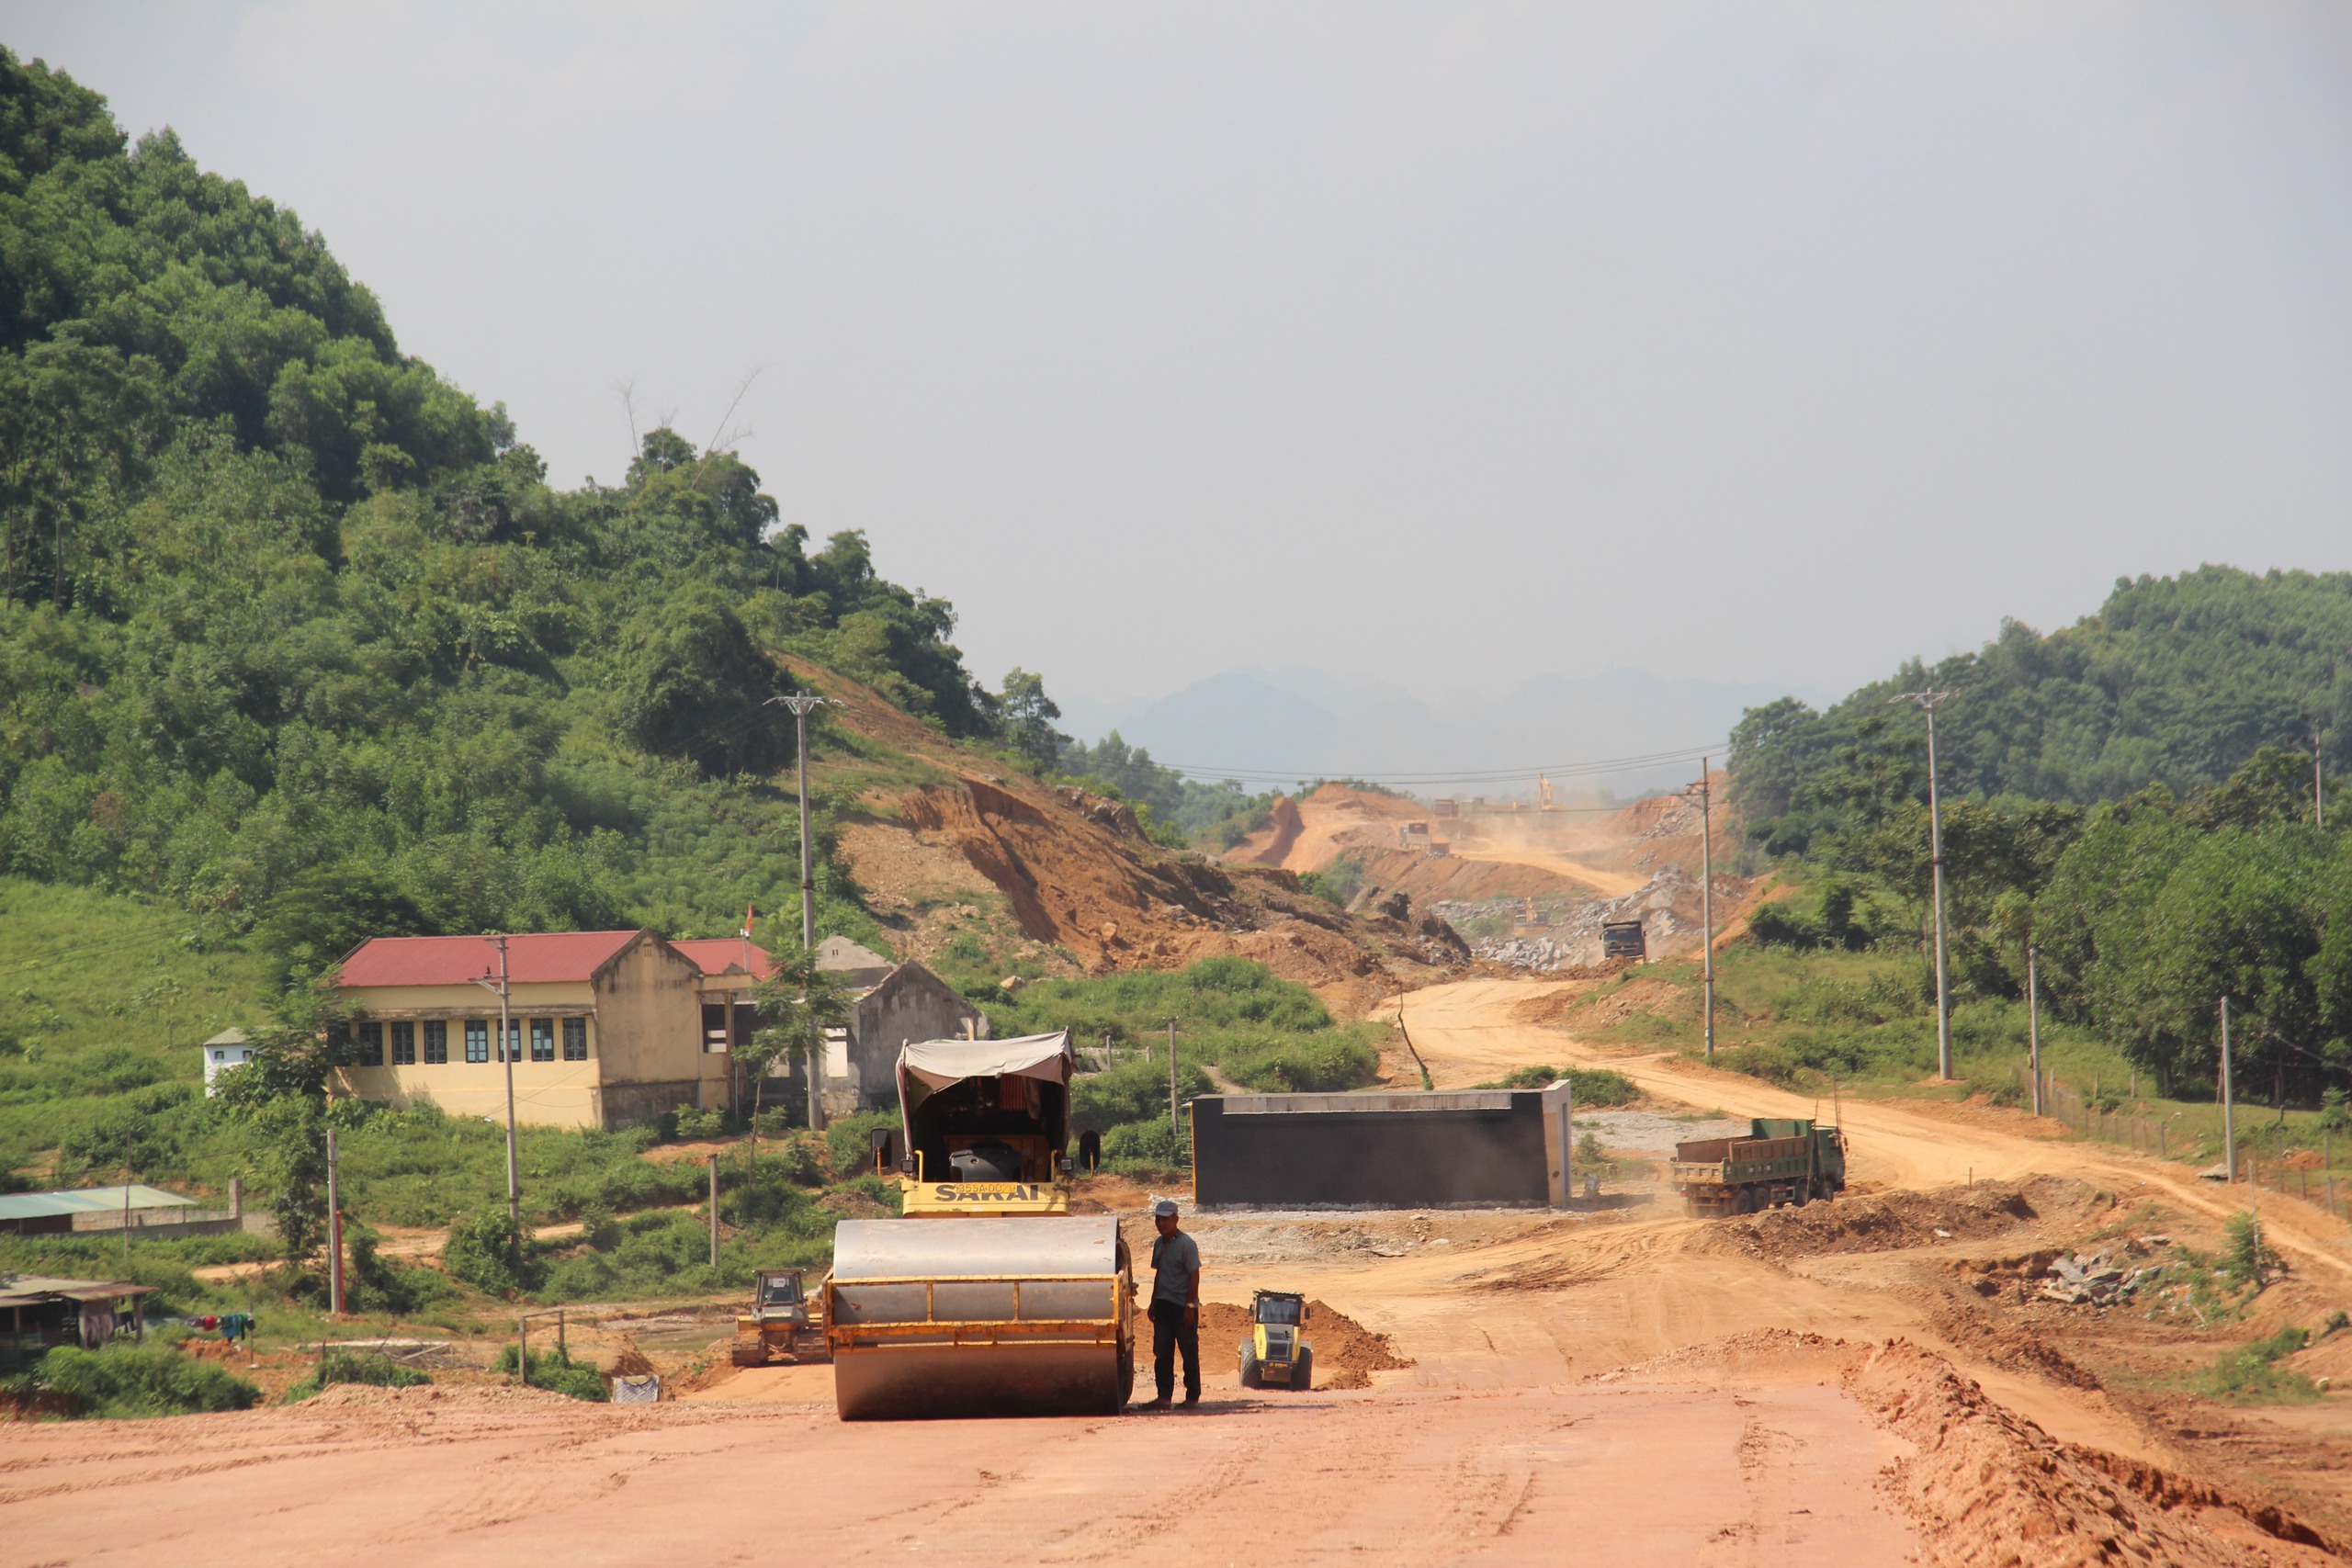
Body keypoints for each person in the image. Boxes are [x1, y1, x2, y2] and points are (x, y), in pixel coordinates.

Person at [1139, 1197, 1201, 1409]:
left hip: (1183, 1307)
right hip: (1163, 1305)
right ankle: (1164, 1397)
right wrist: (1153, 1302)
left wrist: (1190, 1307)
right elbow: (1160, 1274)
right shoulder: (1158, 1244)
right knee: (1162, 1352)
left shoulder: (1187, 1244)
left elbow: (1194, 1276)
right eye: (1158, 1219)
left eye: (1165, 1219)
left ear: (1176, 1219)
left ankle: (1192, 1397)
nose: (1161, 1223)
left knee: (1188, 1352)